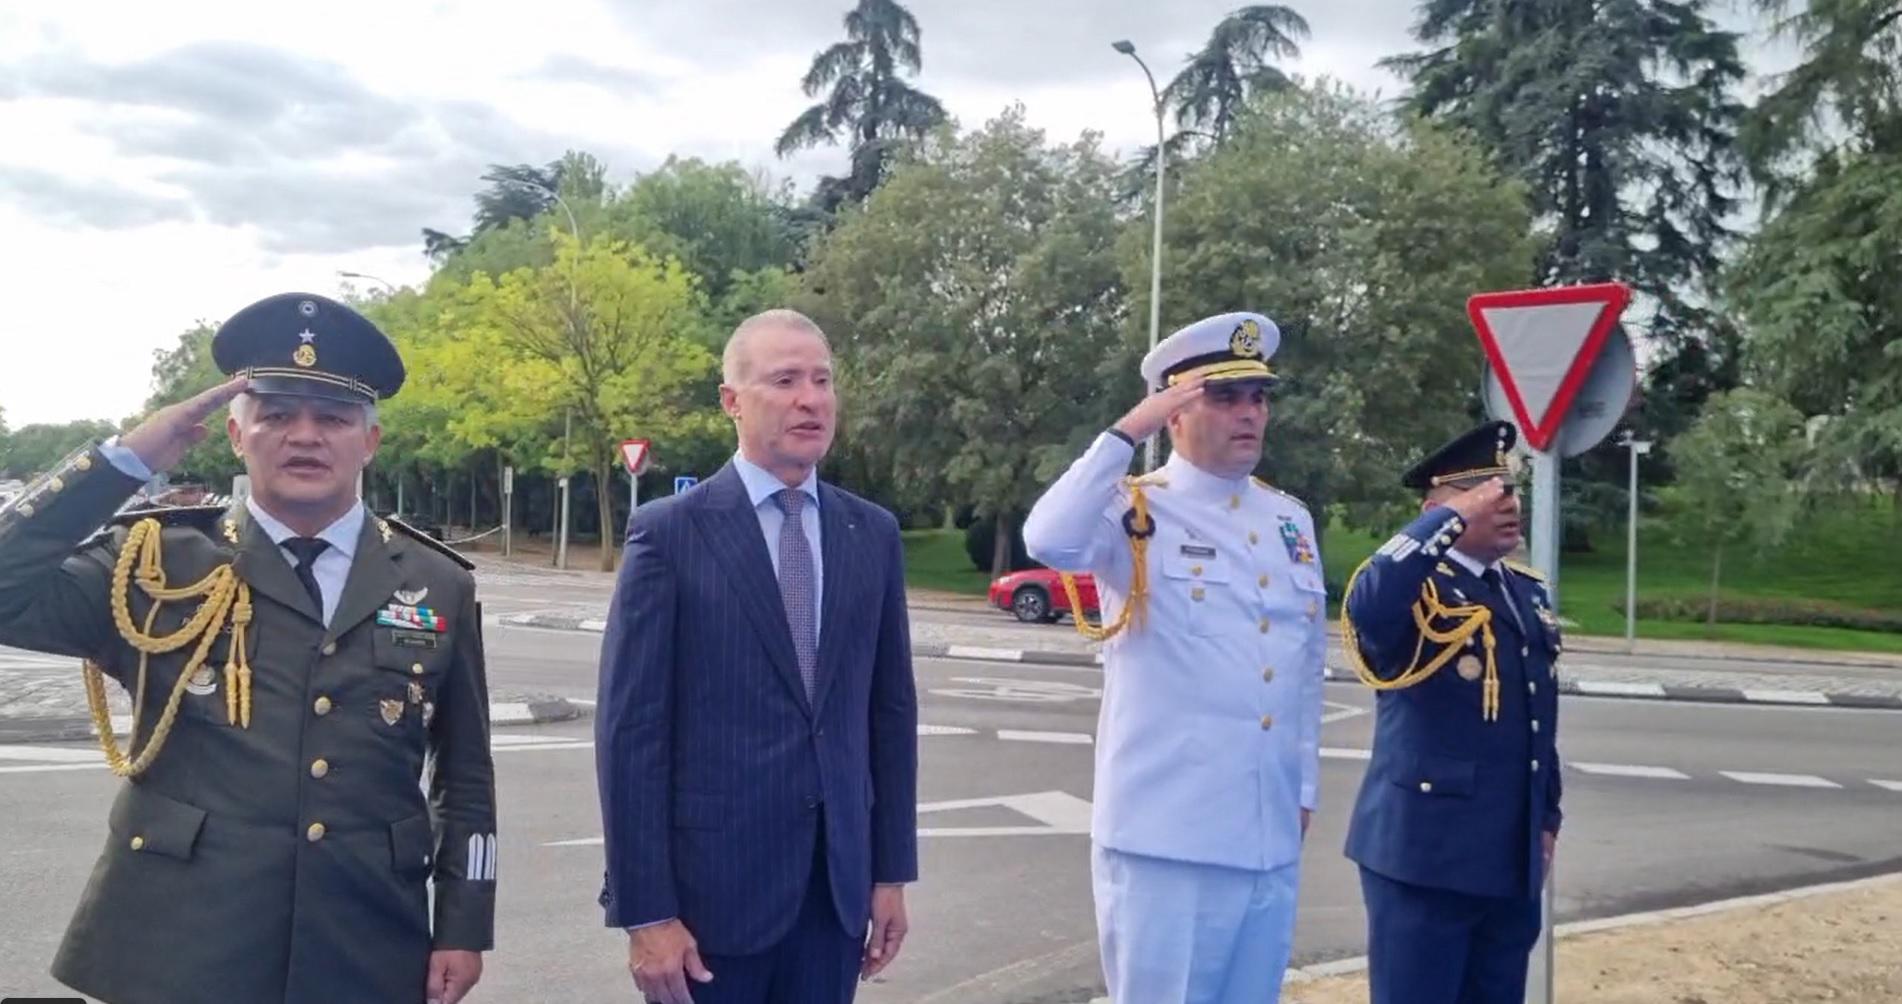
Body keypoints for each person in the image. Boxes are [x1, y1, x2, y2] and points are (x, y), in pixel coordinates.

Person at [0, 292, 497, 1004]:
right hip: (178, 942)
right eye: (276, 415)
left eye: (332, 418)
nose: (305, 436)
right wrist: (125, 460)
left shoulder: (435, 582)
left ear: (370, 440)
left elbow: (467, 774)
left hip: (364, 939)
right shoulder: (155, 561)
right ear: (236, 437)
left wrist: (462, 922)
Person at [594, 309, 919, 1004]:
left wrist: (890, 872)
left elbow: (889, 715)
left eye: (822, 380)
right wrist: (647, 912)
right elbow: (631, 735)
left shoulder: (872, 534)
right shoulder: (671, 535)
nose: (811, 399)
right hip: (710, 907)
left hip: (834, 899)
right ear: (731, 401)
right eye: (785, 380)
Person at [1022, 312, 1326, 1003]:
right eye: (1224, 397)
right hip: (1166, 844)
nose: (1249, 414)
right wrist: (1126, 432)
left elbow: (1302, 668)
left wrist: (1302, 789)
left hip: (1265, 834)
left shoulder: (1289, 520)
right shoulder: (1131, 509)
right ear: (1176, 411)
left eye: (1258, 397)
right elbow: (1047, 536)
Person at [1340, 420, 1564, 1004]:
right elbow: (1369, 598)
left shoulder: (1523, 592)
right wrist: (1450, 518)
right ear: (1439, 508)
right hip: (1424, 858)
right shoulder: (1416, 590)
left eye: (1510, 489)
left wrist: (1547, 818)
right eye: (1485, 493)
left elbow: (1537, 717)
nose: (1507, 502)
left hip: (1507, 856)